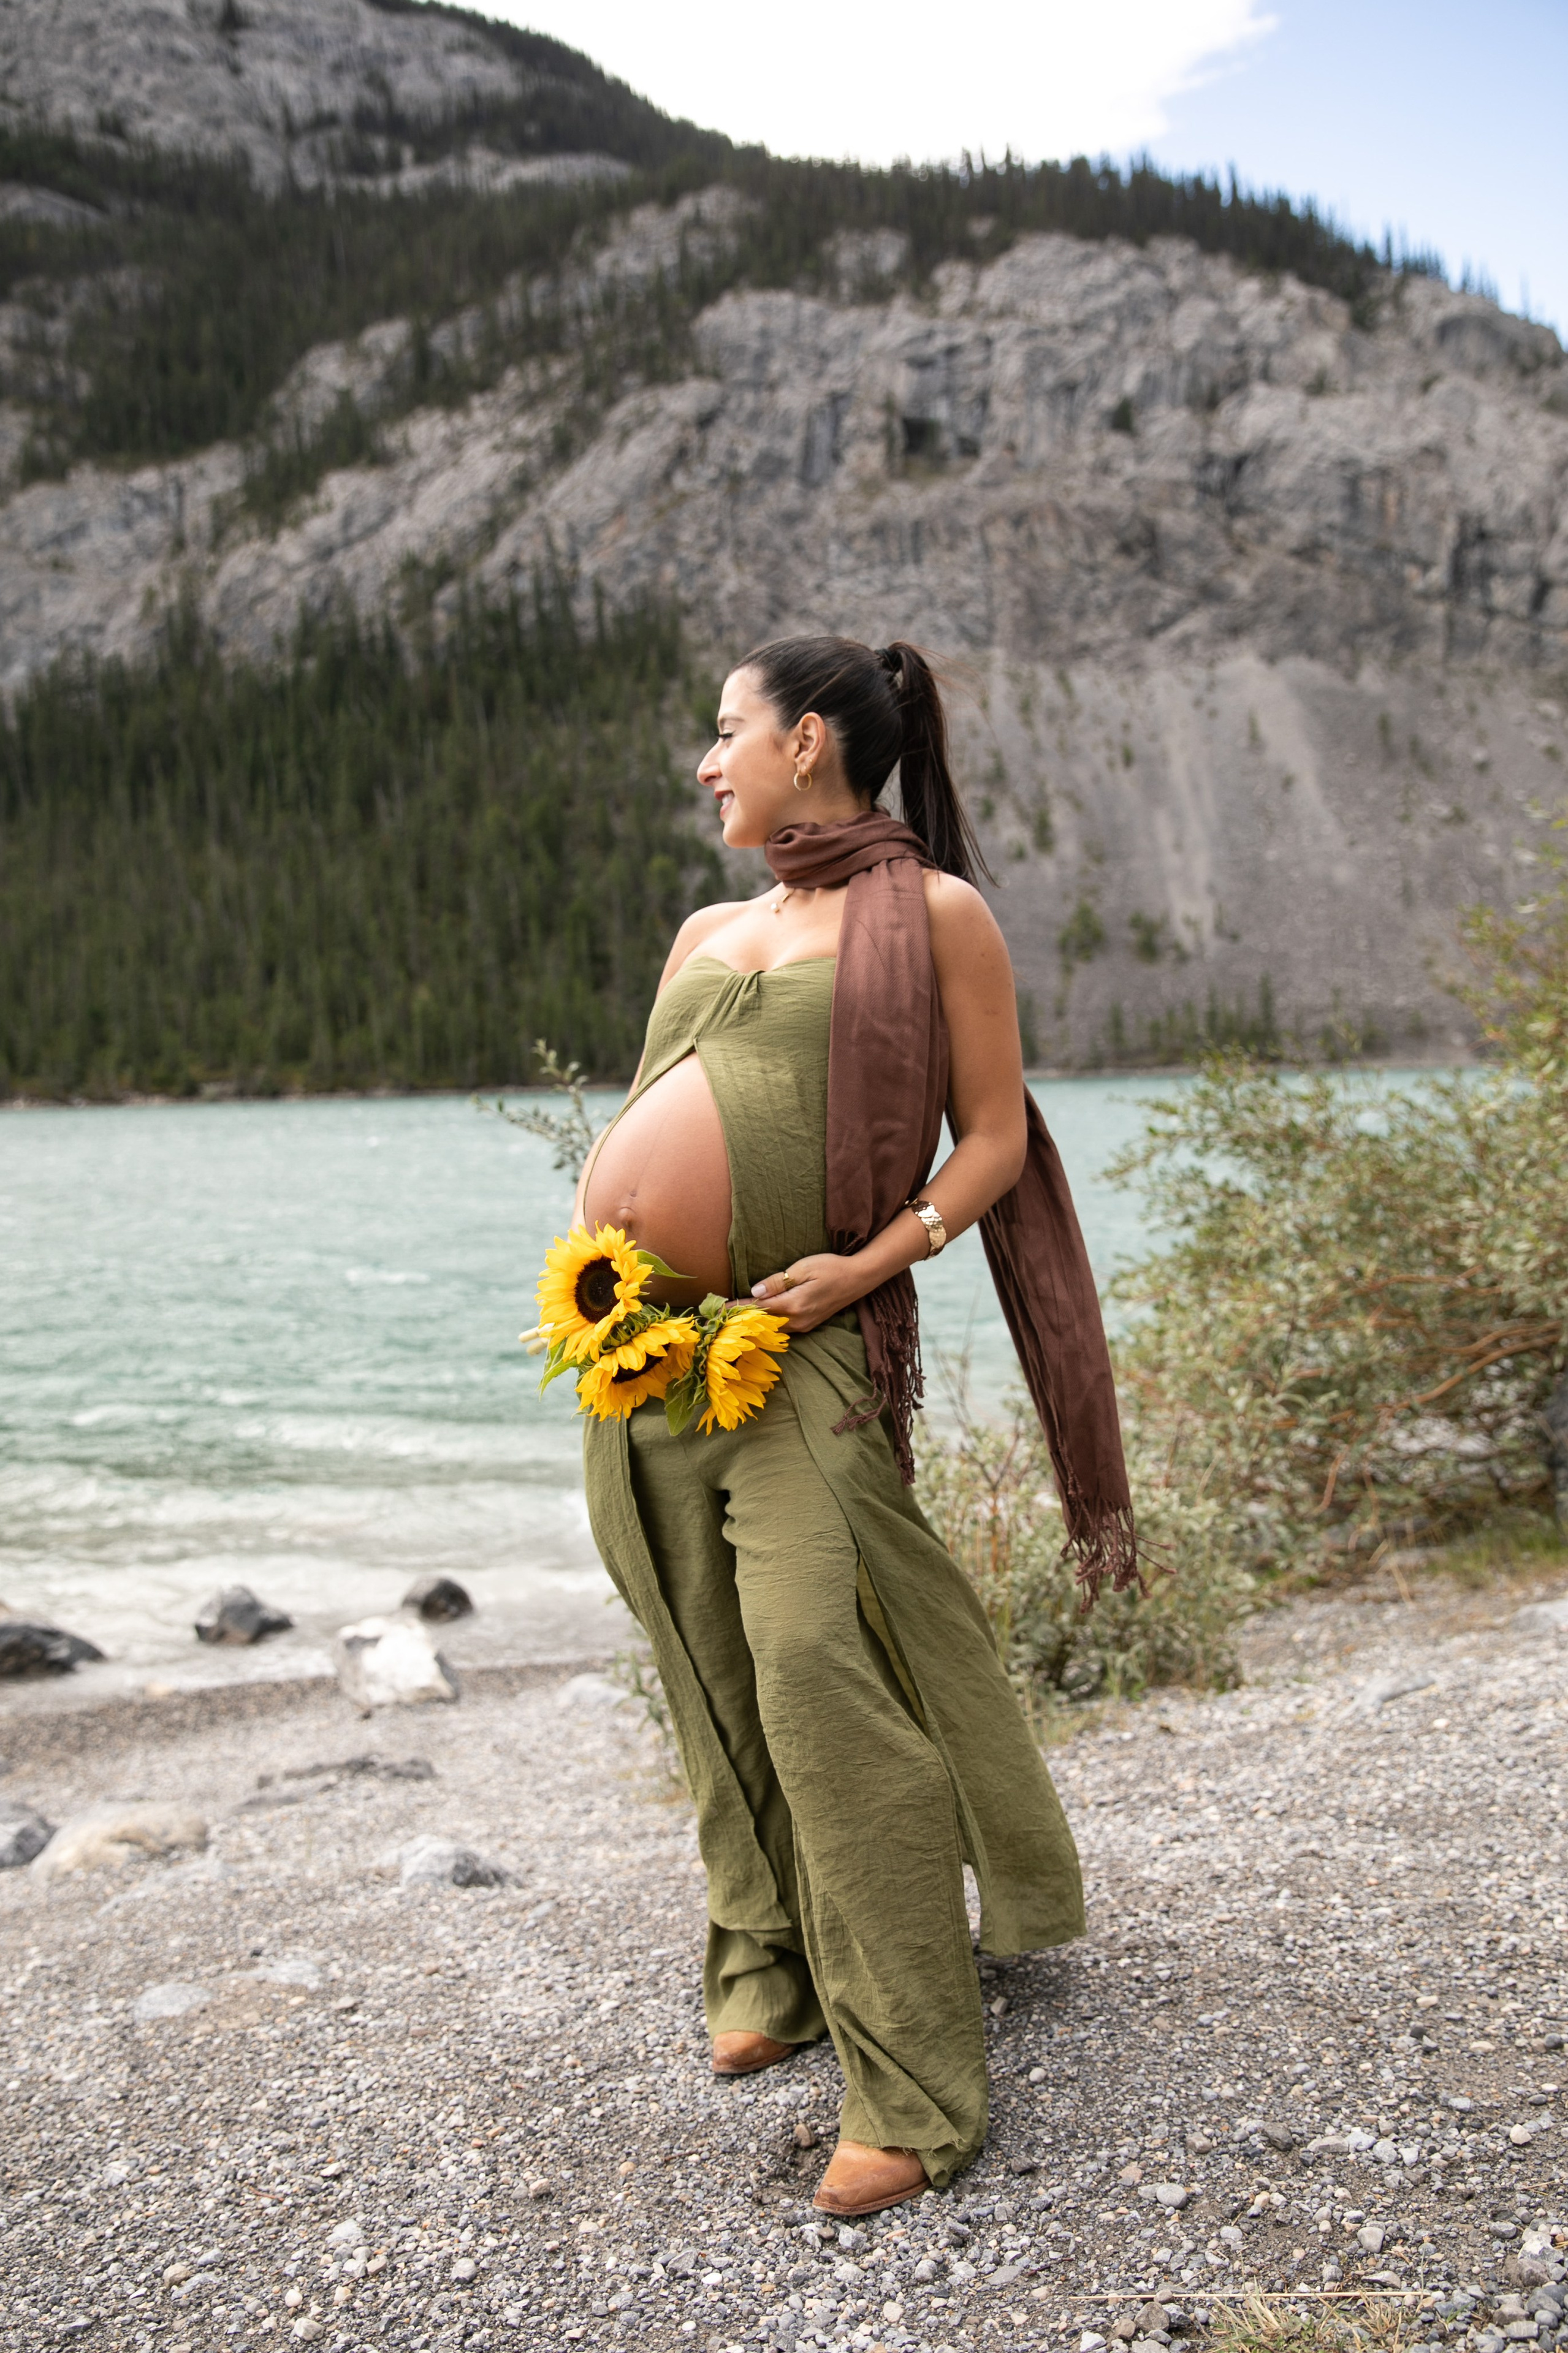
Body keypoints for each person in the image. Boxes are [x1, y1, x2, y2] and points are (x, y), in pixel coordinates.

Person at [573, 636, 1137, 2217]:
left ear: (808, 740)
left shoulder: (940, 920)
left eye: (727, 730)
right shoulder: (708, 926)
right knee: (702, 1654)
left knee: (823, 1669)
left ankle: (915, 2083)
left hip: (796, 1353)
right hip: (640, 1360)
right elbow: (651, 1111)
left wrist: (872, 1265)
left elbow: (998, 1141)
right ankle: (766, 1955)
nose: (709, 760)